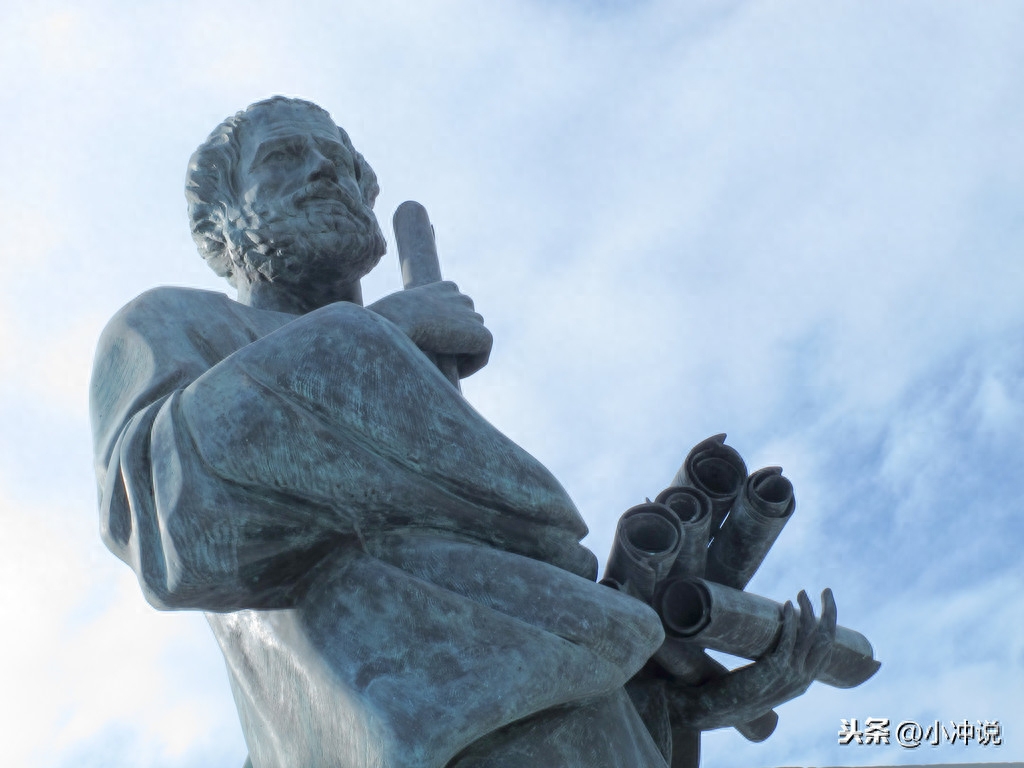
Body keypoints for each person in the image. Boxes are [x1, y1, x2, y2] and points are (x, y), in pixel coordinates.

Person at [90, 96, 834, 768]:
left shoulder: (406, 383)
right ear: (215, 224)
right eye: (285, 155)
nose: (325, 170)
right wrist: (386, 329)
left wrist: (685, 694)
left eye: (342, 161)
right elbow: (167, 520)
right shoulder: (176, 324)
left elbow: (521, 624)